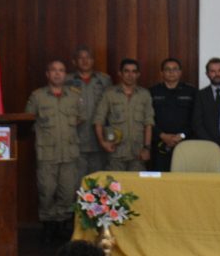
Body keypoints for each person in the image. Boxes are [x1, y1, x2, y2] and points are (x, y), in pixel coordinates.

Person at [25, 60, 82, 242]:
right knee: (47, 191)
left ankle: (61, 226)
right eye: (54, 70)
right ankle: (48, 227)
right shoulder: (37, 96)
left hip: (69, 154)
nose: (58, 74)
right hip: (47, 154)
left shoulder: (74, 96)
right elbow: (28, 121)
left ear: (66, 74)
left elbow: (80, 119)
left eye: (61, 70)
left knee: (68, 192)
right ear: (47, 74)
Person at [94, 58, 155, 171]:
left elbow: (148, 123)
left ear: (138, 74)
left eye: (134, 71)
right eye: (126, 71)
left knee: (137, 187)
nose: (130, 75)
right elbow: (98, 120)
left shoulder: (144, 94)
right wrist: (103, 142)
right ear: (120, 73)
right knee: (115, 187)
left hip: (138, 154)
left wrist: (147, 148)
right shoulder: (109, 94)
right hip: (115, 153)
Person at [67, 46, 112, 177]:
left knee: (98, 182)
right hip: (75, 139)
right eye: (81, 58)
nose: (85, 61)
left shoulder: (104, 80)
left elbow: (111, 109)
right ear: (74, 61)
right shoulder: (66, 80)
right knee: (76, 182)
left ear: (93, 61)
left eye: (88, 58)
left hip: (99, 140)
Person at [149, 58, 196, 171]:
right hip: (159, 144)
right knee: (160, 180)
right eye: (167, 69)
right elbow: (148, 119)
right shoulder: (152, 92)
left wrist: (182, 135)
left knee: (183, 180)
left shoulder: (191, 91)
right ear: (161, 72)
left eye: (175, 69)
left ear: (180, 72)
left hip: (184, 143)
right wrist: (162, 135)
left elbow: (196, 119)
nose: (171, 72)